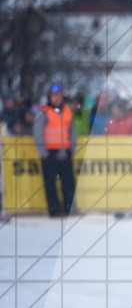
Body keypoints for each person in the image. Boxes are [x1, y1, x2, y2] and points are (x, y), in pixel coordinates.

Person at [33, 84, 77, 217]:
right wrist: (43, 152)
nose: (57, 99)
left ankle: (69, 209)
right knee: (50, 184)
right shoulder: (44, 111)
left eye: (59, 96)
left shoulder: (67, 111)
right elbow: (38, 132)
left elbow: (72, 131)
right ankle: (55, 210)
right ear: (49, 97)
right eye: (54, 96)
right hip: (50, 153)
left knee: (69, 182)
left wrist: (71, 148)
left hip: (65, 152)